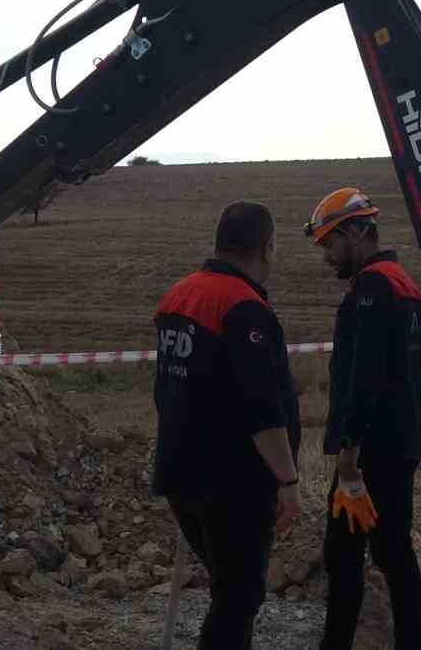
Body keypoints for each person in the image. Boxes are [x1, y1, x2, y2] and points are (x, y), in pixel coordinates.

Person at [151, 200, 302, 650]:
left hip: (181, 472)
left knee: (229, 588)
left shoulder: (179, 296)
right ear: (267, 248)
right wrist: (288, 480)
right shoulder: (243, 308)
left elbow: (165, 390)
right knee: (239, 596)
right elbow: (262, 411)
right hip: (231, 481)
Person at [306, 187, 421, 650]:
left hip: (373, 452)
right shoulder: (401, 282)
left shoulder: (374, 287)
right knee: (393, 550)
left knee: (345, 555)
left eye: (330, 244)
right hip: (399, 443)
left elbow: (365, 377)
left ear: (356, 233)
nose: (327, 257)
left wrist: (350, 461)